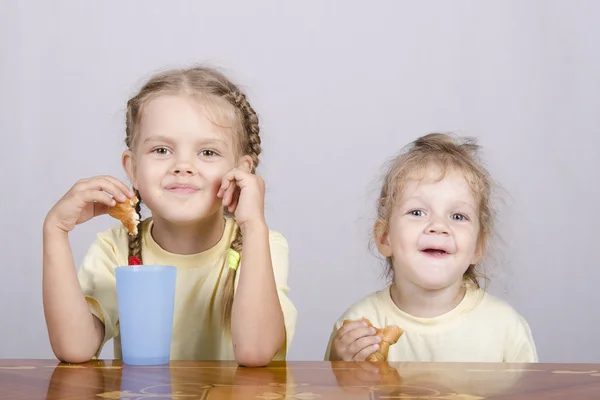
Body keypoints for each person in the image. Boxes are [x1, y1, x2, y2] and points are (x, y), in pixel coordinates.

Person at [42, 65, 297, 367]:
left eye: (208, 153)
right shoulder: (115, 249)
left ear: (241, 171)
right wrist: (55, 231)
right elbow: (75, 348)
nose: (183, 166)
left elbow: (255, 352)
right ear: (132, 168)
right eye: (162, 150)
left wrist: (254, 225)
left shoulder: (262, 244)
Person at [325, 133, 537, 362]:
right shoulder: (357, 326)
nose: (438, 226)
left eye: (458, 216)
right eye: (417, 213)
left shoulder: (506, 330)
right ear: (385, 237)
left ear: (478, 246)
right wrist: (340, 369)